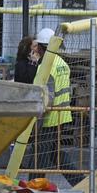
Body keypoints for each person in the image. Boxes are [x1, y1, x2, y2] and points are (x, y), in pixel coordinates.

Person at [31, 28, 73, 173]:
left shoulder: (45, 67)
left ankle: (35, 190)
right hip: (63, 116)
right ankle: (80, 180)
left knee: (39, 158)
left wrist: (37, 121)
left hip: (50, 119)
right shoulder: (62, 64)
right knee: (56, 154)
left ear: (42, 48)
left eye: (38, 47)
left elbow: (47, 99)